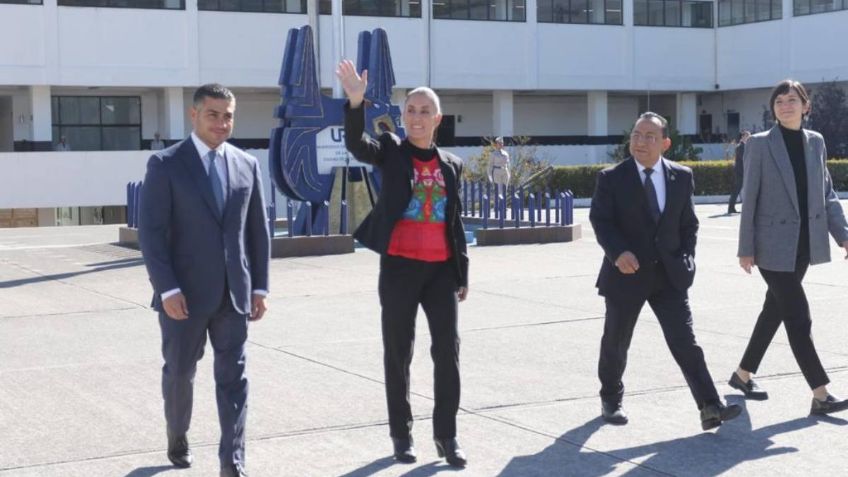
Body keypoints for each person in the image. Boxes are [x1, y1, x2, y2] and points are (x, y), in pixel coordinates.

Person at [336, 59, 469, 467]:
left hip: (441, 271)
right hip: (399, 268)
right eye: (410, 110)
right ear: (402, 116)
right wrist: (355, 104)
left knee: (447, 352)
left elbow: (454, 220)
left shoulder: (452, 164)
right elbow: (358, 146)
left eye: (424, 110)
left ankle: (447, 436)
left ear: (438, 118)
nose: (416, 117)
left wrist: (461, 272)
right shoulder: (392, 151)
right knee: (399, 353)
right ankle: (402, 435)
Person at [138, 83, 270, 477]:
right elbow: (152, 233)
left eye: (228, 115)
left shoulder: (247, 164)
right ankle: (177, 434)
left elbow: (257, 232)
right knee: (180, 372)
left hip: (234, 295)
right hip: (184, 297)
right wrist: (168, 289)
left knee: (234, 378)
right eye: (213, 114)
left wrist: (260, 287)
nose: (222, 122)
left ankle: (233, 460)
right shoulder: (165, 164)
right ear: (193, 115)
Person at [590, 112, 743, 430]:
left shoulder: (682, 176)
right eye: (636, 135)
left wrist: (687, 258)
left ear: (665, 143)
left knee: (685, 342)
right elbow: (601, 221)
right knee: (616, 342)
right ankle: (611, 398)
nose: (640, 142)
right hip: (626, 275)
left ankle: (710, 405)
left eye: (649, 136)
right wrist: (618, 253)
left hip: (669, 275)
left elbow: (689, 224)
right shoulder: (611, 178)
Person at [732, 79, 848, 415]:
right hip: (770, 246)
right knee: (798, 316)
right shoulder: (759, 144)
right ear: (773, 108)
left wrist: (843, 234)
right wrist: (745, 247)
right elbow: (748, 198)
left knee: (775, 311)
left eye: (792, 100)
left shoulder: (816, 142)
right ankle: (821, 394)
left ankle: (742, 375)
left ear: (805, 106)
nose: (786, 105)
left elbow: (827, 194)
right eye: (779, 101)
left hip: (803, 245)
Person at [727, 131, 750, 214]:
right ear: (743, 137)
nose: (749, 138)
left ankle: (732, 208)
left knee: (739, 189)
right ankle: (731, 208)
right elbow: (744, 159)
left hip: (742, 171)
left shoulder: (744, 146)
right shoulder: (740, 146)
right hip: (740, 172)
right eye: (747, 136)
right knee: (736, 189)